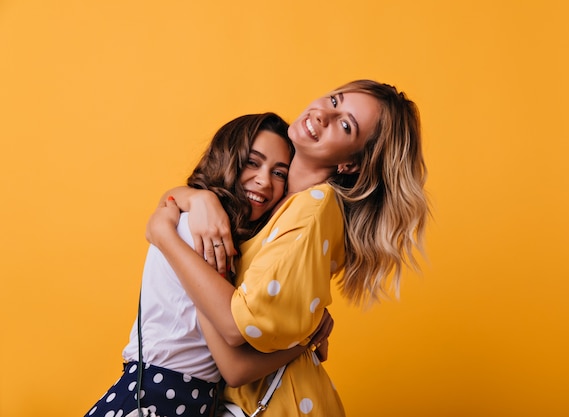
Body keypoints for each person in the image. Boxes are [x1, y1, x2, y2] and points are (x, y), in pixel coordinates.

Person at [147, 79, 429, 416]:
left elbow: (235, 336)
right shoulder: (278, 205)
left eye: (345, 125)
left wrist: (164, 236)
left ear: (350, 164)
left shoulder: (314, 207)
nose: (324, 115)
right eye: (334, 100)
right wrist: (198, 197)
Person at [85, 113, 332, 417]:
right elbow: (235, 363)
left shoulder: (217, 226)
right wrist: (307, 335)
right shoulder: (207, 234)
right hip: (158, 400)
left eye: (279, 173)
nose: (264, 181)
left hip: (180, 400)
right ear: (228, 159)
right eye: (252, 162)